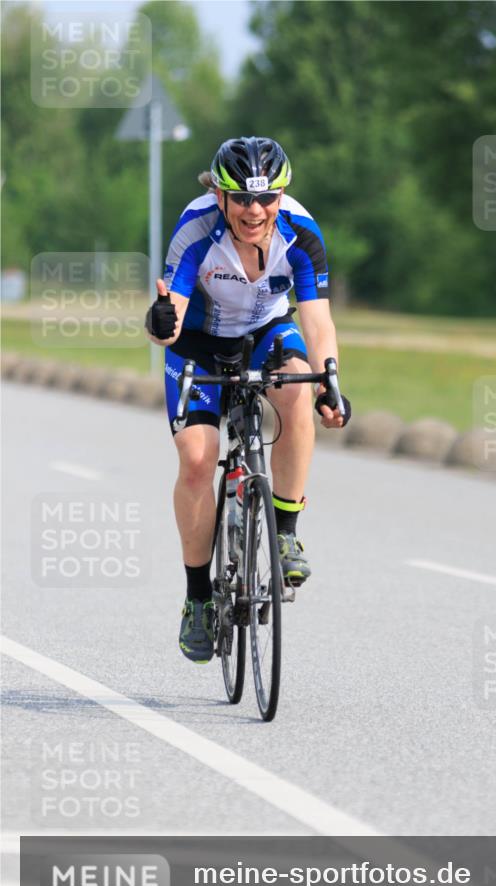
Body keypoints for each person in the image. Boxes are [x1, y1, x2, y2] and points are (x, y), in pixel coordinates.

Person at [145, 136, 350, 664]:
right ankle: (197, 600)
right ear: (220, 195)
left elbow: (317, 319)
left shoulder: (301, 234)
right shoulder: (195, 230)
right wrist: (160, 323)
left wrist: (330, 382)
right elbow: (167, 323)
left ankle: (286, 532)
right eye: (241, 198)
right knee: (196, 459)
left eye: (266, 198)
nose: (254, 211)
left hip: (265, 330)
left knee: (295, 391)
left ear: (281, 195)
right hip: (198, 339)